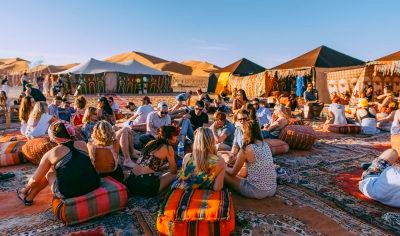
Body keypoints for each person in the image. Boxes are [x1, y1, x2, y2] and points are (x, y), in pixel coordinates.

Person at [16, 121, 100, 205]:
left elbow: (34, 180)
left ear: (53, 137)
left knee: (49, 172)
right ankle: (29, 198)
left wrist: (25, 188)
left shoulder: (51, 154)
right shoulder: (82, 144)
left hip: (68, 192)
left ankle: (27, 197)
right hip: (93, 183)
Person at [224, 120, 277, 199]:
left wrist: (223, 166)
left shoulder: (246, 148)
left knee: (223, 173)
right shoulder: (265, 144)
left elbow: (232, 173)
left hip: (256, 191)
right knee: (242, 176)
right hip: (272, 188)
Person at [125, 126, 178, 196]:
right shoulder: (168, 148)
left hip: (131, 182)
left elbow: (145, 164)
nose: (177, 137)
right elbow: (173, 171)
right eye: (176, 135)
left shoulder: (151, 143)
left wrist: (162, 167)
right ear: (171, 136)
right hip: (146, 186)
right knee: (177, 174)